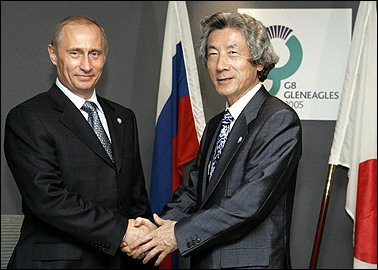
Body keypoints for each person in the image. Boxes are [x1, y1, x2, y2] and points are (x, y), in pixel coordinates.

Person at [123, 11, 302, 269]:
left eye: (232, 53)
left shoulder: (278, 120)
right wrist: (154, 230)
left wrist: (175, 235)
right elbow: (194, 191)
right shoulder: (216, 124)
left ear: (260, 62)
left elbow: (248, 204)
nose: (220, 66)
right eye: (212, 53)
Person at [4, 15, 157, 269]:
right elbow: (48, 198)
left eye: (94, 53)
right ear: (53, 55)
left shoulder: (123, 117)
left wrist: (143, 240)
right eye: (75, 53)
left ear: (105, 57)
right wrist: (122, 231)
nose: (86, 65)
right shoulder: (28, 117)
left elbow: (136, 198)